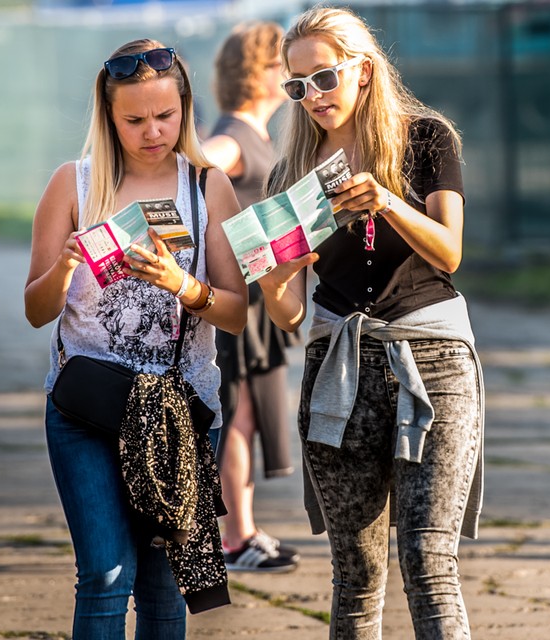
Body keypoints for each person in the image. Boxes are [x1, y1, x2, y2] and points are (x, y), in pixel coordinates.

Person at [258, 7, 485, 638]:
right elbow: (292, 312)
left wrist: (386, 200)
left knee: (427, 558)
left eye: (324, 78)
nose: (314, 97)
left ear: (363, 68)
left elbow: (449, 252)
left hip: (431, 357)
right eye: (298, 86)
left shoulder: (424, 137)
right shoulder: (291, 175)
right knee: (354, 570)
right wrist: (276, 280)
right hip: (338, 365)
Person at [25, 39, 247, 638]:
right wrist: (65, 267)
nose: (153, 131)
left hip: (180, 408)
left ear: (186, 107)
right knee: (104, 576)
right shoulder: (73, 184)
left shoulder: (206, 187)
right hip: (88, 409)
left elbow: (236, 314)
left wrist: (183, 285)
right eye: (135, 120)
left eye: (166, 115)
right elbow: (35, 309)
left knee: (163, 584)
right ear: (108, 116)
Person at [201, 20, 300, 573]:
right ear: (257, 73)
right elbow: (196, 165)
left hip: (264, 299)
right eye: (279, 64)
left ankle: (244, 527)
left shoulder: (260, 135)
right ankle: (235, 538)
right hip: (236, 300)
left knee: (250, 416)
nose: (289, 75)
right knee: (235, 415)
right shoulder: (234, 136)